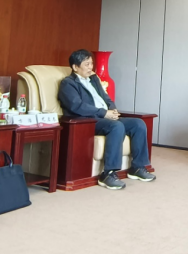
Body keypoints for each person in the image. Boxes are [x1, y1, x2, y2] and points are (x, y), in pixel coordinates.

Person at [58, 49, 155, 190]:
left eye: (91, 63)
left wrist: (113, 110)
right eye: (86, 64)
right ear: (75, 67)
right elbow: (77, 106)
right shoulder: (68, 83)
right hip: (88, 120)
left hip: (105, 116)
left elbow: (106, 98)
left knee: (138, 124)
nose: (90, 67)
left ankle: (138, 167)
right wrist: (104, 113)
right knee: (116, 127)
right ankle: (108, 174)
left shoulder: (94, 79)